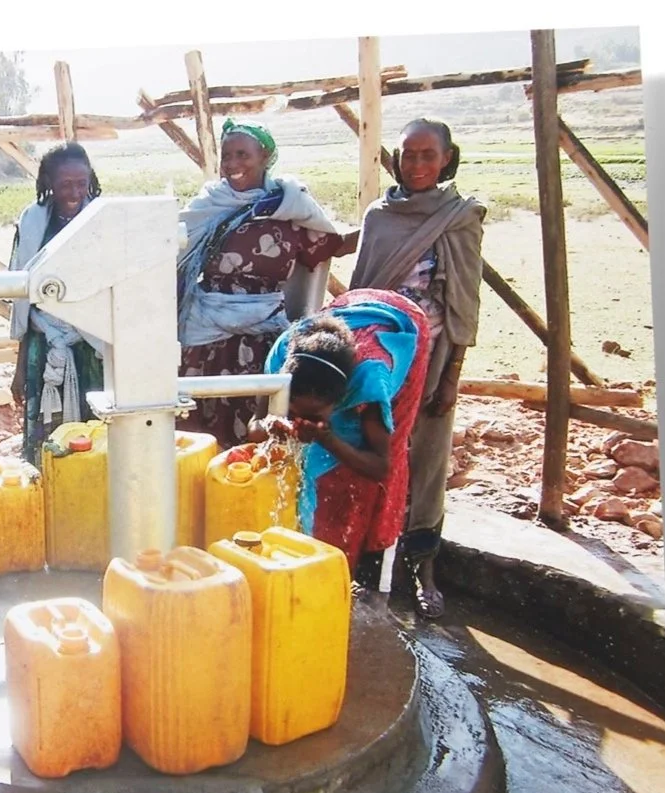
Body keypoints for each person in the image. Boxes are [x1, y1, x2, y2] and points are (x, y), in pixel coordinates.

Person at [349, 118, 485, 618]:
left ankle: (422, 568)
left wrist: (451, 377)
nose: (419, 165)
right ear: (397, 159)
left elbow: (464, 300)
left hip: (433, 358)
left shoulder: (459, 216)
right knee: (372, 447)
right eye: (410, 155)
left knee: (426, 460)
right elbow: (361, 290)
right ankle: (364, 560)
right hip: (381, 361)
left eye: (429, 155)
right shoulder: (379, 217)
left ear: (447, 157)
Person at [176, 119, 352, 448]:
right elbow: (170, 250)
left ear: (265, 156)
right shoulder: (207, 205)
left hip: (263, 338)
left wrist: (379, 222)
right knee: (199, 429)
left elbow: (332, 244)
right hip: (206, 338)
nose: (232, 164)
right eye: (226, 156)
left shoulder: (290, 207)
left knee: (258, 427)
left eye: (243, 154)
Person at [253, 289, 432, 575]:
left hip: (403, 322)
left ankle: (361, 564)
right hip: (349, 311)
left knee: (359, 480)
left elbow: (381, 466)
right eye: (293, 410)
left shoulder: (370, 381)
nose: (299, 419)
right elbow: (254, 426)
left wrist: (328, 439)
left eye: (313, 415)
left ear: (342, 401)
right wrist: (271, 426)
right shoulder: (280, 362)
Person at [7, 142, 106, 465]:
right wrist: (20, 367)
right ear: (48, 182)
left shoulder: (102, 219)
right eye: (65, 184)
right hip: (44, 343)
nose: (75, 191)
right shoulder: (34, 222)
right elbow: (24, 298)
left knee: (93, 436)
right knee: (47, 436)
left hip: (90, 344)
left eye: (81, 182)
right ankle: (49, 495)